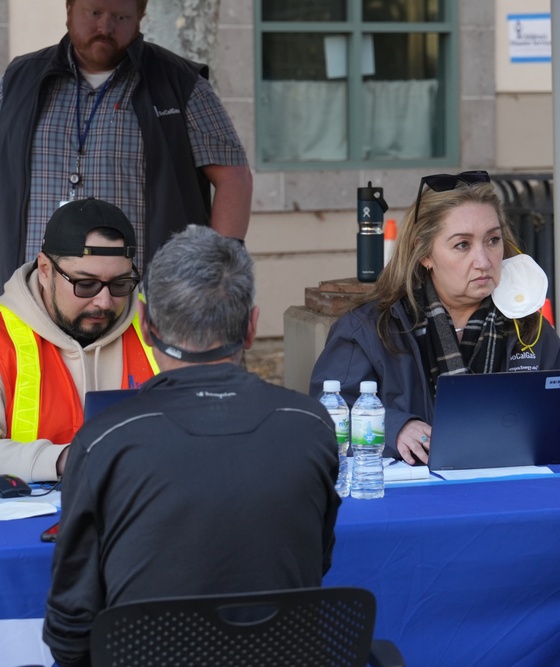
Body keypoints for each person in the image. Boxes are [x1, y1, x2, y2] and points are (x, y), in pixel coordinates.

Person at [43, 225, 340, 667]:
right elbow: (314, 563)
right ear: (253, 325)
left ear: (145, 325)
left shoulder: (106, 440)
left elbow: (71, 629)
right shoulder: (309, 426)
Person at [309, 170, 560, 465]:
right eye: (462, 245)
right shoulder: (368, 329)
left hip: (507, 493)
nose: (483, 261)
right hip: (410, 500)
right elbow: (324, 416)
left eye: (492, 240)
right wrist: (395, 428)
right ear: (425, 253)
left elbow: (555, 422)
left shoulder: (530, 329)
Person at [0, 0, 253, 287]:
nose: (105, 27)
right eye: (95, 13)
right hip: (30, 297)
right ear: (69, 8)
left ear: (140, 17)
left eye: (121, 17)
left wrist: (217, 269)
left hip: (143, 301)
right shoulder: (17, 80)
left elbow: (234, 177)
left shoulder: (181, 84)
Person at [0, 197, 156, 482]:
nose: (104, 302)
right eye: (86, 284)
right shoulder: (2, 337)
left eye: (121, 284)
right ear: (45, 270)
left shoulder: (160, 326)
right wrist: (62, 459)